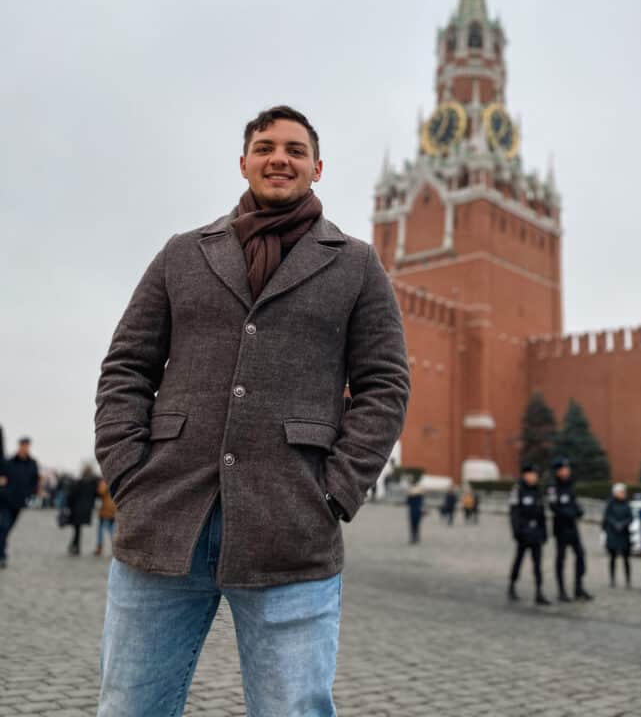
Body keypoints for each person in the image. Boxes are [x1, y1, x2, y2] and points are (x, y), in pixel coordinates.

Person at [94, 106, 410, 717]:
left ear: (317, 168)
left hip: (291, 523)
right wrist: (128, 473)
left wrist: (337, 491)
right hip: (165, 517)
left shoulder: (355, 263)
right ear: (244, 162)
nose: (279, 158)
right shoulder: (182, 253)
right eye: (265, 147)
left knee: (292, 709)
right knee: (129, 706)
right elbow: (127, 366)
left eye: (295, 149)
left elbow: (385, 383)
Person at [547, 456, 592, 601]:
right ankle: (561, 590)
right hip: (561, 528)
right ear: (558, 471)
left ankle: (578, 587)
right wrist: (570, 513)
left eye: (568, 469)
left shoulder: (569, 485)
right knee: (561, 559)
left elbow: (574, 503)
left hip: (572, 527)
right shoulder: (553, 487)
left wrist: (578, 511)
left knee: (580, 555)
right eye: (564, 469)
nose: (567, 471)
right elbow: (554, 507)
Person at [508, 464, 550, 605]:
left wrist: (544, 532)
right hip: (523, 533)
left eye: (535, 475)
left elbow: (542, 514)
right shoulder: (518, 490)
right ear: (525, 475)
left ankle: (539, 591)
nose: (534, 477)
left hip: (536, 533)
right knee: (519, 560)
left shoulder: (538, 491)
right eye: (531, 474)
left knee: (538, 564)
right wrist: (517, 531)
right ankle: (512, 585)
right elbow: (514, 513)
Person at [0, 436, 40, 569]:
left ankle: (2, 550)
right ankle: (2, 556)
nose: (24, 448)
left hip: (19, 502)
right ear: (19, 446)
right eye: (23, 445)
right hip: (5, 500)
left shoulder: (32, 464)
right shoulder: (8, 462)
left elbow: (35, 481)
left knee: (8, 529)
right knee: (4, 527)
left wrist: (31, 493)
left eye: (27, 446)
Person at [602, 483, 632, 588]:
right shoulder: (610, 504)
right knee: (613, 558)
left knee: (626, 559)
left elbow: (630, 517)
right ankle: (612, 579)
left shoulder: (626, 504)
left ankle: (628, 580)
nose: (623, 494)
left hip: (624, 534)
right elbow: (607, 516)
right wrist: (615, 524)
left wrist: (623, 524)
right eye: (621, 492)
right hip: (613, 534)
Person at [66, 464, 100, 555]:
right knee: (78, 530)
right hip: (86, 510)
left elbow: (71, 495)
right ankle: (74, 546)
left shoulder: (79, 482)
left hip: (76, 509)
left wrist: (69, 506)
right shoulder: (93, 484)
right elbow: (97, 495)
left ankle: (75, 547)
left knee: (77, 529)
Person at [94, 478, 116, 556]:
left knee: (101, 530)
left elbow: (101, 491)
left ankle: (99, 547)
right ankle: (115, 548)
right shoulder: (116, 480)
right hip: (113, 509)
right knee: (112, 530)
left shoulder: (105, 481)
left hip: (106, 510)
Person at [406, 475, 426, 543]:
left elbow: (407, 502)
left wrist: (409, 494)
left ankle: (413, 538)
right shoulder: (420, 494)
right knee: (417, 525)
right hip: (418, 511)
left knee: (412, 525)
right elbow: (423, 503)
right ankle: (416, 537)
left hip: (412, 511)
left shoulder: (411, 494)